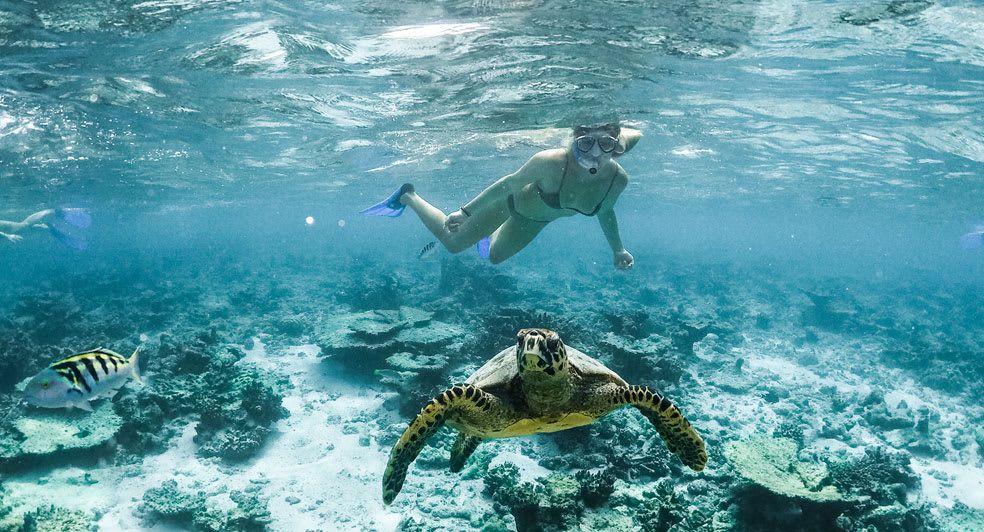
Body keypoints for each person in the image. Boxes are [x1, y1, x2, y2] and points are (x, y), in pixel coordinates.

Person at [361, 122, 642, 269]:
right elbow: (509, 184)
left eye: (605, 144)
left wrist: (617, 250)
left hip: (534, 221)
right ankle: (407, 196)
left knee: (494, 257)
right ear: (574, 143)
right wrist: (466, 212)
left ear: (616, 146)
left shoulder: (617, 180)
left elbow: (605, 212)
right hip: (509, 204)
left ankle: (485, 232)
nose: (594, 153)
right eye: (585, 143)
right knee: (454, 243)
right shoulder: (551, 161)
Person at [0, 208, 91, 248]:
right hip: (4, 228)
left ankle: (55, 211)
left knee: (25, 225)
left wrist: (8, 236)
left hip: (5, 228)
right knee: (26, 227)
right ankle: (50, 226)